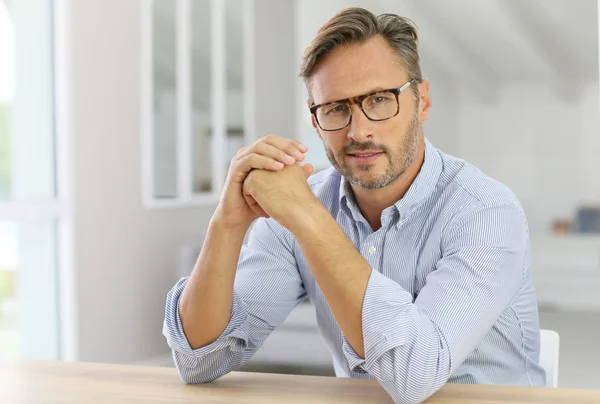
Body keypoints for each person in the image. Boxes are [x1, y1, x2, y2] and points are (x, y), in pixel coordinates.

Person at [163, 7, 545, 404]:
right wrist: (226, 222)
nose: (358, 130)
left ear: (423, 101)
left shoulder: (485, 212)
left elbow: (414, 376)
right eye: (336, 108)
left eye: (379, 100)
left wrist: (308, 218)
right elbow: (199, 362)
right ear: (315, 122)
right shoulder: (299, 207)